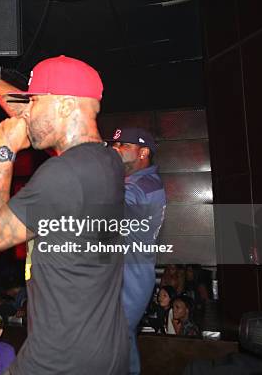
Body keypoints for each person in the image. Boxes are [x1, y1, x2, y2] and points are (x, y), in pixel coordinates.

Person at [0, 50, 128, 373]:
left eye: (36, 101)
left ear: (67, 105)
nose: (28, 111)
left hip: (58, 360)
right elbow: (28, 116)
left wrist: (4, 152)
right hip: (102, 352)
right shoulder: (106, 161)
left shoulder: (63, 176)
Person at [110, 127, 166, 375]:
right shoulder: (136, 183)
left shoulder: (146, 185)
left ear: (143, 152)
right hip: (123, 280)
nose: (115, 148)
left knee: (113, 348)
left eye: (123, 145)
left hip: (128, 283)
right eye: (114, 144)